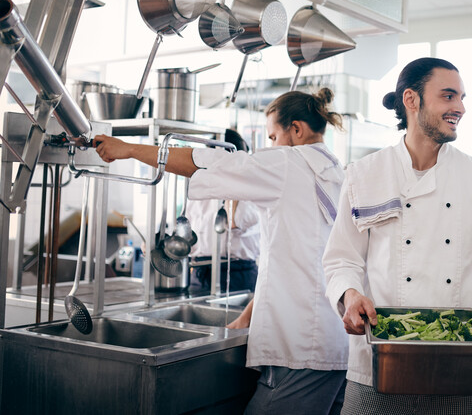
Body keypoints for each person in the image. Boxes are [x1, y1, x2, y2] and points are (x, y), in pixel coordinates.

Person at [94, 88, 349, 415]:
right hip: (335, 343)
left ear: (296, 129)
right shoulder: (336, 171)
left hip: (300, 349)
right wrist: (247, 317)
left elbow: (203, 161)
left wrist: (127, 148)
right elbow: (299, 266)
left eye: (273, 136)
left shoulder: (288, 162)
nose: (269, 146)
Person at [321, 57, 472, 415]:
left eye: (462, 98)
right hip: (379, 366)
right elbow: (342, 258)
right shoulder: (364, 174)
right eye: (448, 96)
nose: (460, 108)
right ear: (411, 100)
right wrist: (350, 294)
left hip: (462, 367)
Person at [187, 129, 261, 293]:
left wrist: (234, 179)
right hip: (200, 272)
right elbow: (189, 232)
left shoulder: (252, 191)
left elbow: (234, 222)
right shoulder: (200, 191)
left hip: (238, 273)